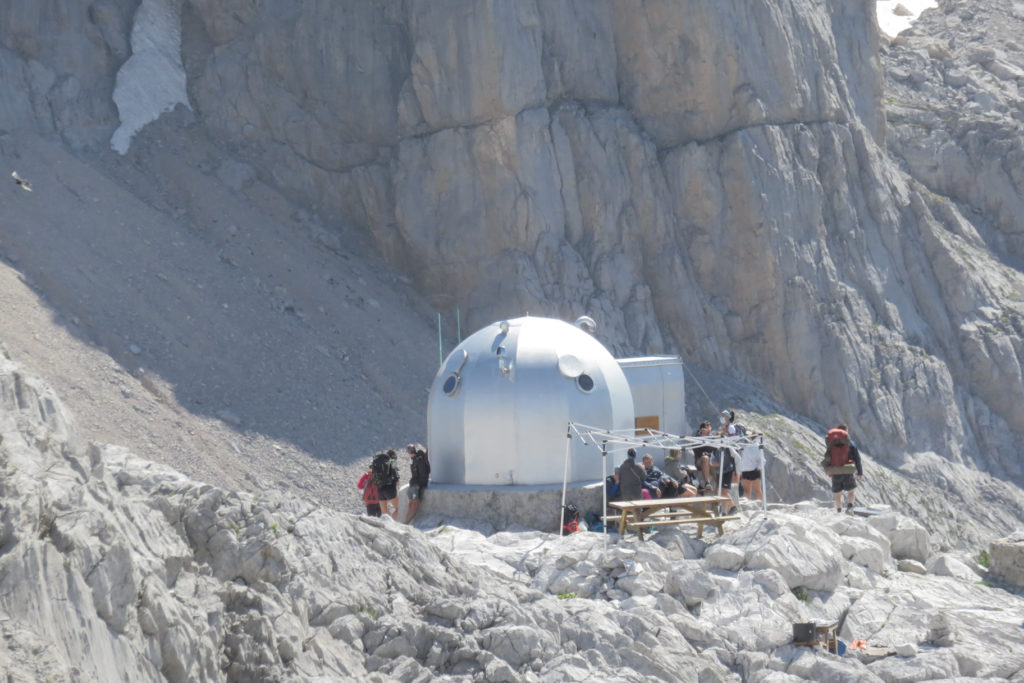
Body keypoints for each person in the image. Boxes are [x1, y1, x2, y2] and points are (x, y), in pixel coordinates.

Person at [823, 427, 863, 513]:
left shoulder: (831, 444)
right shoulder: (851, 444)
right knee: (851, 492)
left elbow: (828, 458)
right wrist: (860, 472)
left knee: (837, 494)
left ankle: (839, 511)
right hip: (847, 471)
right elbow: (857, 459)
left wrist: (829, 470)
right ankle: (849, 507)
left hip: (835, 471)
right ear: (846, 432)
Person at [404, 443, 430, 524]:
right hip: (414, 485)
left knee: (414, 505)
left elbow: (423, 474)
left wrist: (419, 485)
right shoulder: (416, 459)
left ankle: (406, 523)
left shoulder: (418, 460)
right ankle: (405, 522)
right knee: (411, 504)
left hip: (416, 486)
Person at [738, 435, 765, 503]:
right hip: (745, 470)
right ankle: (749, 505)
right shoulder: (744, 445)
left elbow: (762, 459)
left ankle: (762, 505)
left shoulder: (757, 446)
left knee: (757, 490)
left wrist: (759, 467)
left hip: (754, 470)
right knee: (747, 490)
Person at [375, 448, 400, 520]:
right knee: (399, 508)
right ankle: (393, 524)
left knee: (384, 513)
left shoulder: (379, 464)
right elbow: (396, 479)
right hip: (390, 489)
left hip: (380, 490)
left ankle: (386, 528)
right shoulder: (392, 463)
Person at [692, 421, 716, 489]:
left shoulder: (712, 438)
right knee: (705, 458)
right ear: (702, 429)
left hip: (711, 459)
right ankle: (707, 482)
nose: (709, 430)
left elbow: (715, 449)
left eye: (710, 428)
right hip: (700, 460)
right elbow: (697, 451)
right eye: (707, 428)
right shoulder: (697, 438)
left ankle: (720, 483)